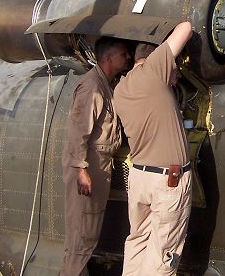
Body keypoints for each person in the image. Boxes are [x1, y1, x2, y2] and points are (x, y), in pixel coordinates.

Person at [113, 21, 193, 276]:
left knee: (137, 240)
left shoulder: (120, 89)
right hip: (166, 183)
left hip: (140, 179)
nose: (176, 75)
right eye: (175, 67)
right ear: (153, 58)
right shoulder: (153, 71)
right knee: (163, 255)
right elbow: (186, 27)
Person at [61, 37, 130, 276]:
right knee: (82, 235)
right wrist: (81, 170)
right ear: (109, 58)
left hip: (99, 163)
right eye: (123, 54)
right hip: (90, 164)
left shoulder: (106, 84)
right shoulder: (92, 87)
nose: (127, 58)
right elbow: (78, 131)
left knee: (88, 234)